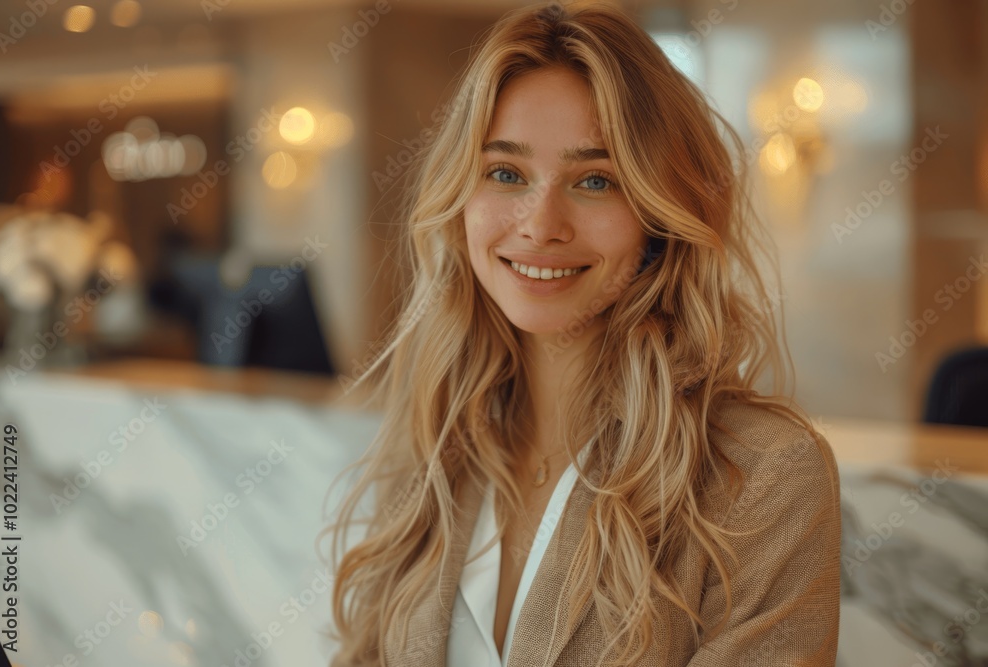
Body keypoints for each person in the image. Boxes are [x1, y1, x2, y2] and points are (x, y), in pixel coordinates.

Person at [320, 2, 841, 666]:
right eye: (505, 173)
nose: (541, 225)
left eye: (595, 180)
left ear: (660, 215)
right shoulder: (434, 443)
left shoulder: (766, 474)